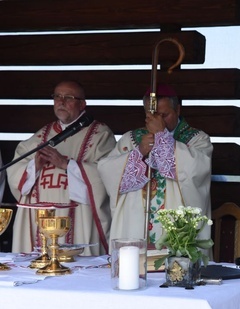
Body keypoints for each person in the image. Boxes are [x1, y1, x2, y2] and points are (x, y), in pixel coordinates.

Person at [6, 80, 116, 255]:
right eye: (57, 96)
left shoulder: (100, 135)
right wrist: (34, 166)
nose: (61, 102)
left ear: (82, 104)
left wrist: (67, 164)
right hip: (40, 219)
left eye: (68, 97)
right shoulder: (42, 135)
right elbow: (15, 170)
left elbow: (108, 174)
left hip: (79, 218)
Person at [98, 84, 213, 251]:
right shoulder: (130, 139)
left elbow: (195, 172)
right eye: (151, 115)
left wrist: (163, 138)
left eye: (164, 115)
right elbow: (107, 171)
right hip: (135, 223)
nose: (157, 121)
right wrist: (140, 151)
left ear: (178, 110)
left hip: (175, 224)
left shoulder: (197, 139)